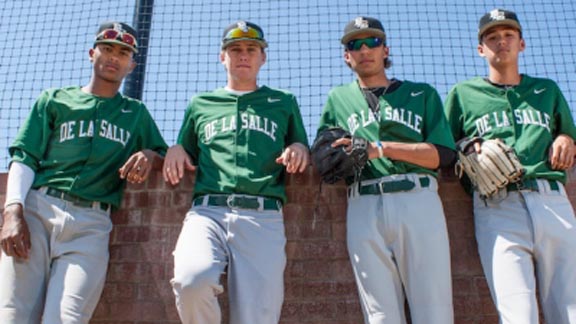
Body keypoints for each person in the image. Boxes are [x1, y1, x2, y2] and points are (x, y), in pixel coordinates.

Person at [0, 21, 167, 324]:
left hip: (91, 223)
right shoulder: (54, 99)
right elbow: (25, 156)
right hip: (38, 211)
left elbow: (166, 156)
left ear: (132, 64)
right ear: (92, 53)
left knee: (67, 318)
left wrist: (150, 153)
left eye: (123, 52)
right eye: (107, 48)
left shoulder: (136, 114)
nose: (114, 57)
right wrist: (13, 211)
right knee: (12, 315)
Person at [163, 20, 309, 324]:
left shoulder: (283, 101)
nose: (243, 54)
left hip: (263, 215)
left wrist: (299, 148)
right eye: (235, 49)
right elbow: (185, 149)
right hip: (207, 213)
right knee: (191, 282)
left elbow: (300, 144)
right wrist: (175, 148)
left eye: (251, 49)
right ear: (222, 57)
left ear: (262, 58)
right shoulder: (200, 103)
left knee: (259, 316)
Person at [315, 16, 455, 324]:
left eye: (373, 42)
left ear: (385, 49)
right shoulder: (338, 99)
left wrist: (381, 148)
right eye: (355, 44)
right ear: (346, 55)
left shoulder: (422, 94)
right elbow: (325, 155)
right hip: (363, 201)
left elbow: (443, 155)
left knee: (434, 310)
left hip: (417, 198)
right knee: (380, 316)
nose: (365, 49)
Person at [444, 8, 576, 324]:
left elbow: (569, 132)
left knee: (571, 311)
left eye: (508, 36)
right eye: (492, 37)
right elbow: (445, 149)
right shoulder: (463, 94)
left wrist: (566, 138)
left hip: (552, 200)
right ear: (480, 49)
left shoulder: (547, 90)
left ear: (522, 44)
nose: (501, 42)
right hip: (497, 206)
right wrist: (466, 146)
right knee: (519, 315)